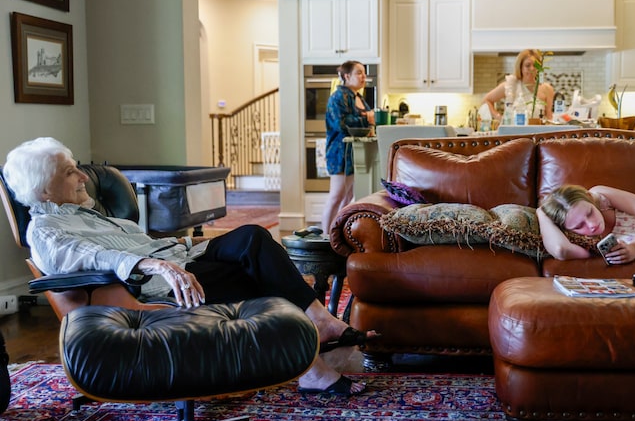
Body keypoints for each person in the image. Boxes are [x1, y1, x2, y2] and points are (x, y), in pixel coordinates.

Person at [3, 137, 379, 397]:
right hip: (155, 291)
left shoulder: (87, 214)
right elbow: (93, 259)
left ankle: (319, 323)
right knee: (253, 270)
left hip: (181, 260)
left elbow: (146, 243)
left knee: (252, 237)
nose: (84, 176)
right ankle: (312, 365)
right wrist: (155, 264)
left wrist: (182, 248)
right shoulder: (48, 229)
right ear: (44, 191)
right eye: (70, 172)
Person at [537, 184, 635, 263]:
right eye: (579, 226)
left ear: (589, 198)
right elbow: (561, 250)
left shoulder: (601, 197)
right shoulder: (579, 241)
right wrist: (542, 214)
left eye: (590, 213)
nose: (591, 225)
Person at [321, 60, 375, 235]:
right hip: (339, 153)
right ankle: (324, 238)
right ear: (346, 76)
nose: (363, 76)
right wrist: (367, 118)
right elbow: (340, 124)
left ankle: (336, 233)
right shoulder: (338, 97)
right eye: (359, 73)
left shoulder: (358, 97)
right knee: (336, 195)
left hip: (353, 153)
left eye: (364, 73)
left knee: (347, 196)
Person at [482, 49, 555, 123]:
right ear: (521, 67)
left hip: (538, 133)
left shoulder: (547, 89)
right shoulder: (510, 85)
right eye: (527, 65)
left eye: (535, 65)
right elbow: (486, 100)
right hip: (513, 133)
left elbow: (549, 117)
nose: (532, 69)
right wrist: (499, 118)